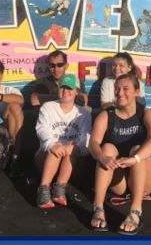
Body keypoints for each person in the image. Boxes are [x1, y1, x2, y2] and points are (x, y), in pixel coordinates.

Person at [88, 73, 151, 235]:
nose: (120, 93)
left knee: (137, 149)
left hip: (145, 180)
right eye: (117, 89)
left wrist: (134, 159)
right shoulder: (106, 115)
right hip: (120, 182)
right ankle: (98, 207)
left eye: (125, 89)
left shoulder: (147, 114)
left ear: (136, 91)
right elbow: (93, 143)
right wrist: (102, 157)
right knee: (106, 148)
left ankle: (135, 212)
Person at [34, 74, 92, 208]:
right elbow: (42, 130)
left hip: (70, 162)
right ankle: (43, 189)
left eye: (70, 88)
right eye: (63, 88)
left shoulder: (84, 114)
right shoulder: (47, 107)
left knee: (70, 147)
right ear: (58, 89)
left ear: (77, 91)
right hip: (46, 159)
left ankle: (59, 189)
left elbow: (86, 140)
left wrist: (76, 148)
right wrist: (52, 145)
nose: (66, 92)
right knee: (56, 147)